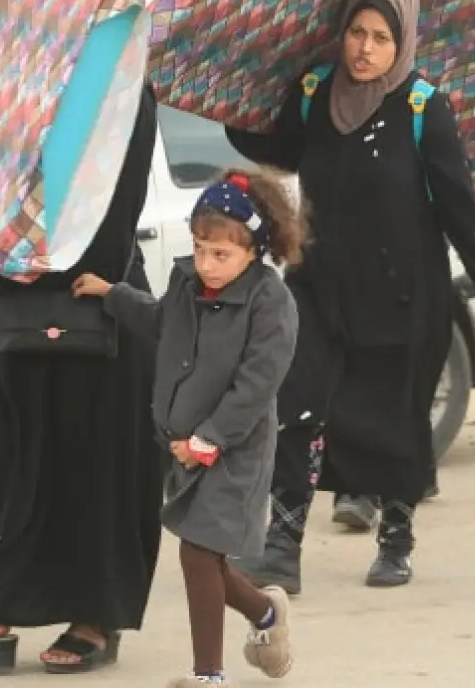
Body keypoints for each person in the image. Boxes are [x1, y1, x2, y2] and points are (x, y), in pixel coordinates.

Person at [225, 0, 475, 591]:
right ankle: (282, 546)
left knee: (395, 420)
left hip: (404, 295)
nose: (364, 50)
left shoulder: (425, 109)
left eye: (381, 38)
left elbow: (458, 209)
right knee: (294, 406)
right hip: (319, 288)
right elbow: (279, 149)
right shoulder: (317, 92)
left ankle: (395, 538)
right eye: (356, 33)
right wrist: (227, 91)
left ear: (405, 45)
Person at [0, 86, 163, 675]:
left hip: (92, 301)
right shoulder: (8, 79)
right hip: (6, 307)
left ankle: (96, 616)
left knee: (88, 475)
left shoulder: (123, 89)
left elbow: (110, 208)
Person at [74, 169, 304, 687]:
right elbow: (160, 321)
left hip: (234, 449)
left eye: (221, 254)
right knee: (206, 559)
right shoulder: (186, 283)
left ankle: (208, 675)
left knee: (198, 550)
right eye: (200, 248)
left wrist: (210, 440)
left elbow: (256, 386)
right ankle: (266, 615)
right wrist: (112, 293)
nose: (207, 264)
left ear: (254, 249)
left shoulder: (272, 303)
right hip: (183, 445)